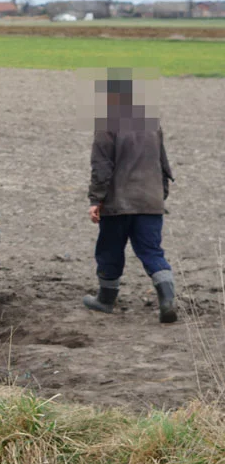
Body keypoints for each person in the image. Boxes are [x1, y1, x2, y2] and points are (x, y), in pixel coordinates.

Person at [82, 75, 177, 323]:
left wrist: (95, 200)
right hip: (150, 201)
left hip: (118, 203)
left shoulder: (107, 124)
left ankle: (105, 300)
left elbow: (101, 167)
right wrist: (160, 195)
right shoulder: (152, 123)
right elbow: (163, 163)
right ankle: (167, 299)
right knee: (152, 251)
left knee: (110, 251)